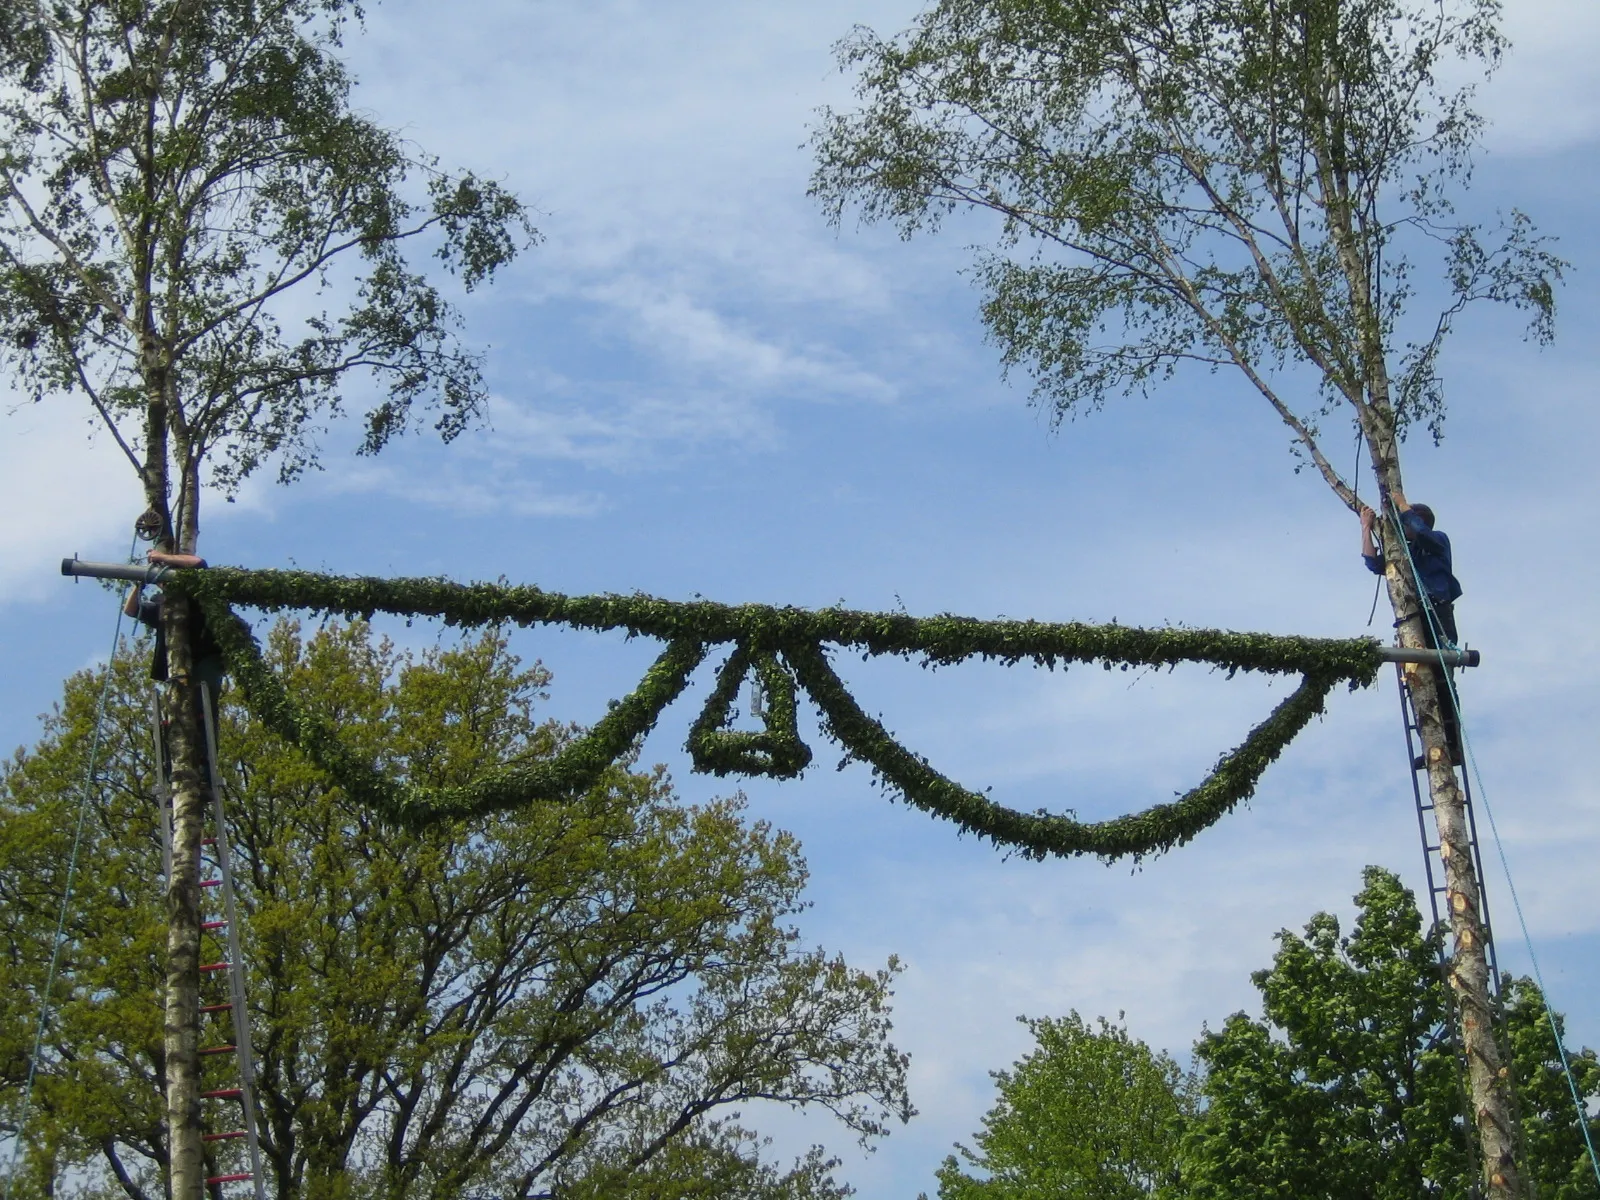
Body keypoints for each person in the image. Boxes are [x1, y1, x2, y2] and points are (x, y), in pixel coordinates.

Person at [1360, 490, 1463, 765]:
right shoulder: (1407, 553)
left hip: (1437, 610)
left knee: (1442, 681)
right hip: (1413, 616)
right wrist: (1366, 528)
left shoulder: (1437, 540)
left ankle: (1453, 746)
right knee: (1418, 683)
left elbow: (1423, 534)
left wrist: (1403, 505)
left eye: (1406, 523)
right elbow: (1374, 563)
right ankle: (1431, 744)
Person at [125, 549, 225, 760]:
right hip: (176, 668)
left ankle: (206, 762)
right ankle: (178, 760)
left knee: (203, 707)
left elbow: (199, 562)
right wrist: (138, 584)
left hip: (205, 658)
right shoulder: (162, 606)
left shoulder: (194, 592)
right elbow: (131, 610)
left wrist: (162, 558)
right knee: (178, 713)